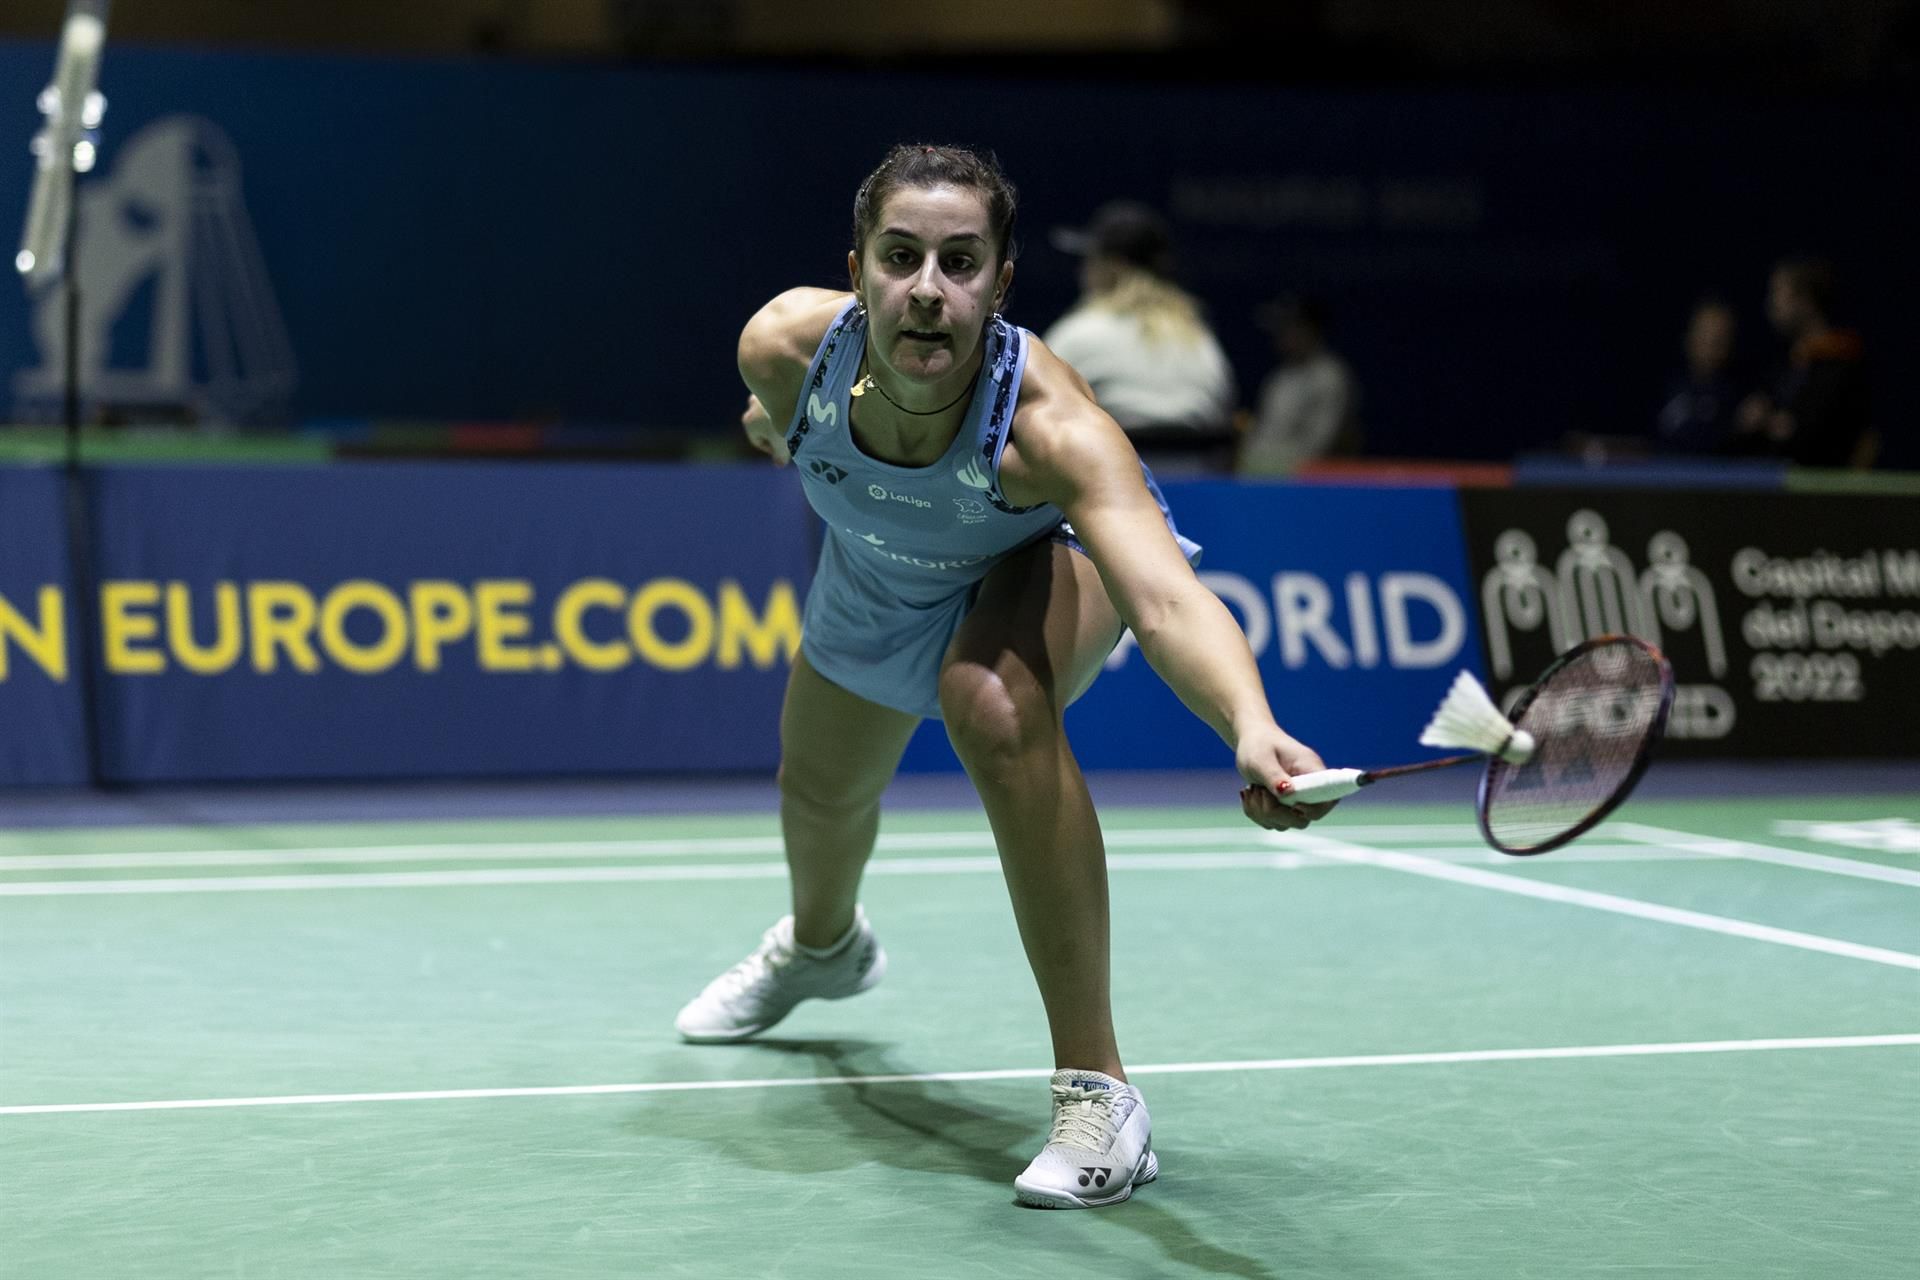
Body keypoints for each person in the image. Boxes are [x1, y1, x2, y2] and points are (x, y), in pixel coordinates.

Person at [674, 144, 1336, 1210]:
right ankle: (821, 945)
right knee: (819, 788)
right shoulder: (783, 351)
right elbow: (775, 423)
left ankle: (1101, 1094)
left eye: (960, 261)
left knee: (990, 700)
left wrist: (1249, 725)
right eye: (902, 257)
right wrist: (782, 431)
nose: (928, 290)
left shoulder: (1052, 430)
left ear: (1000, 283)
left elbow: (1167, 601)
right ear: (860, 270)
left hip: (1040, 552)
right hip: (884, 561)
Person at [1041, 200, 1237, 473]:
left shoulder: (1079, 332)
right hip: (1201, 501)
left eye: (1091, 260)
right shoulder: (1201, 340)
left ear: (1114, 266)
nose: (1083, 270)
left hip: (1105, 498)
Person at [1733, 258, 1872, 467]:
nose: (1771, 304)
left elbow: (1813, 438)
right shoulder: (1786, 363)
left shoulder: (1842, 364)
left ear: (1805, 301)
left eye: (1778, 293)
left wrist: (1770, 423)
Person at [1237, 295, 1357, 477]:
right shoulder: (1279, 378)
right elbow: (1262, 435)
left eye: (1289, 326)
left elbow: (1319, 448)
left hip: (1306, 486)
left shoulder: (1330, 377)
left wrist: (1259, 464)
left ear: (1311, 329)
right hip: (1261, 477)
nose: (1281, 334)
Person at [1652, 298, 1741, 454]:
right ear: (1689, 337)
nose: (1711, 344)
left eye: (1719, 338)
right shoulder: (1671, 389)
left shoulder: (1737, 397)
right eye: (1704, 334)